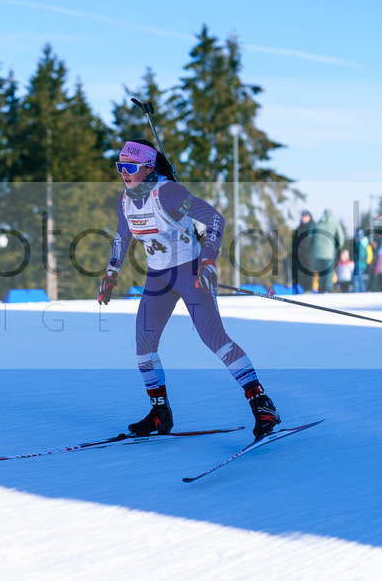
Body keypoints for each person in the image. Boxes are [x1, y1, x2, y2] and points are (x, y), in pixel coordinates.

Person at [97, 139, 281, 439]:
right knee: (143, 346)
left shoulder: (168, 192)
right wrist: (111, 273)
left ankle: (262, 404)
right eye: (120, 167)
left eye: (130, 167)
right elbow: (121, 237)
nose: (124, 173)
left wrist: (208, 260)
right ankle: (160, 414)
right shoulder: (125, 201)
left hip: (190, 273)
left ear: (148, 167)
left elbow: (214, 218)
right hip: (158, 277)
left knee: (214, 339)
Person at [312, 209, 345, 292]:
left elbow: (309, 235)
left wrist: (314, 245)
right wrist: (337, 247)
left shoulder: (318, 223)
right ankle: (328, 289)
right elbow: (341, 238)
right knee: (328, 273)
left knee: (320, 273)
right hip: (329, 252)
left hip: (317, 252)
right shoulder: (335, 223)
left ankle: (321, 289)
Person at [291, 210, 315, 293]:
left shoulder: (313, 227)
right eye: (302, 216)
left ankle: (308, 290)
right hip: (298, 255)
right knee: (299, 275)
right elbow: (294, 242)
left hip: (309, 256)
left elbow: (314, 242)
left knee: (308, 274)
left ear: (309, 217)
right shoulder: (299, 228)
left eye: (305, 216)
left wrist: (310, 251)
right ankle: (299, 291)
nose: (303, 218)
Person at [352, 228, 372, 293]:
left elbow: (360, 255)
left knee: (357, 278)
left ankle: (358, 291)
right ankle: (361, 291)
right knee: (359, 278)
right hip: (361, 264)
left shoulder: (360, 244)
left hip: (359, 264)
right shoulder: (363, 243)